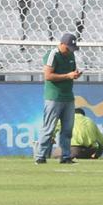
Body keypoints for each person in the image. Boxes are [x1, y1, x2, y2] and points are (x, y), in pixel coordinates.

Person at [36, 32, 82, 164]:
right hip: (54, 97)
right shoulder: (52, 55)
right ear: (61, 44)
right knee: (49, 128)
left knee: (67, 129)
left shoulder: (71, 55)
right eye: (67, 48)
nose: (69, 51)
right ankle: (40, 156)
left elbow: (71, 71)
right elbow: (48, 76)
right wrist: (68, 76)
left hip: (68, 97)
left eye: (71, 49)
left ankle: (66, 156)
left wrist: (75, 75)